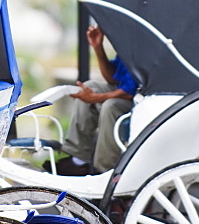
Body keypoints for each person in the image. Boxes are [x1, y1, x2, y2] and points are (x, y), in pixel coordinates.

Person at [48, 25, 138, 176]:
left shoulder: (145, 43)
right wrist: (98, 47)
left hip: (143, 99)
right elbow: (112, 78)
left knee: (111, 105)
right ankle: (78, 161)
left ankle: (105, 170)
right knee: (89, 87)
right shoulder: (128, 40)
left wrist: (96, 98)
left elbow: (131, 90)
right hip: (129, 94)